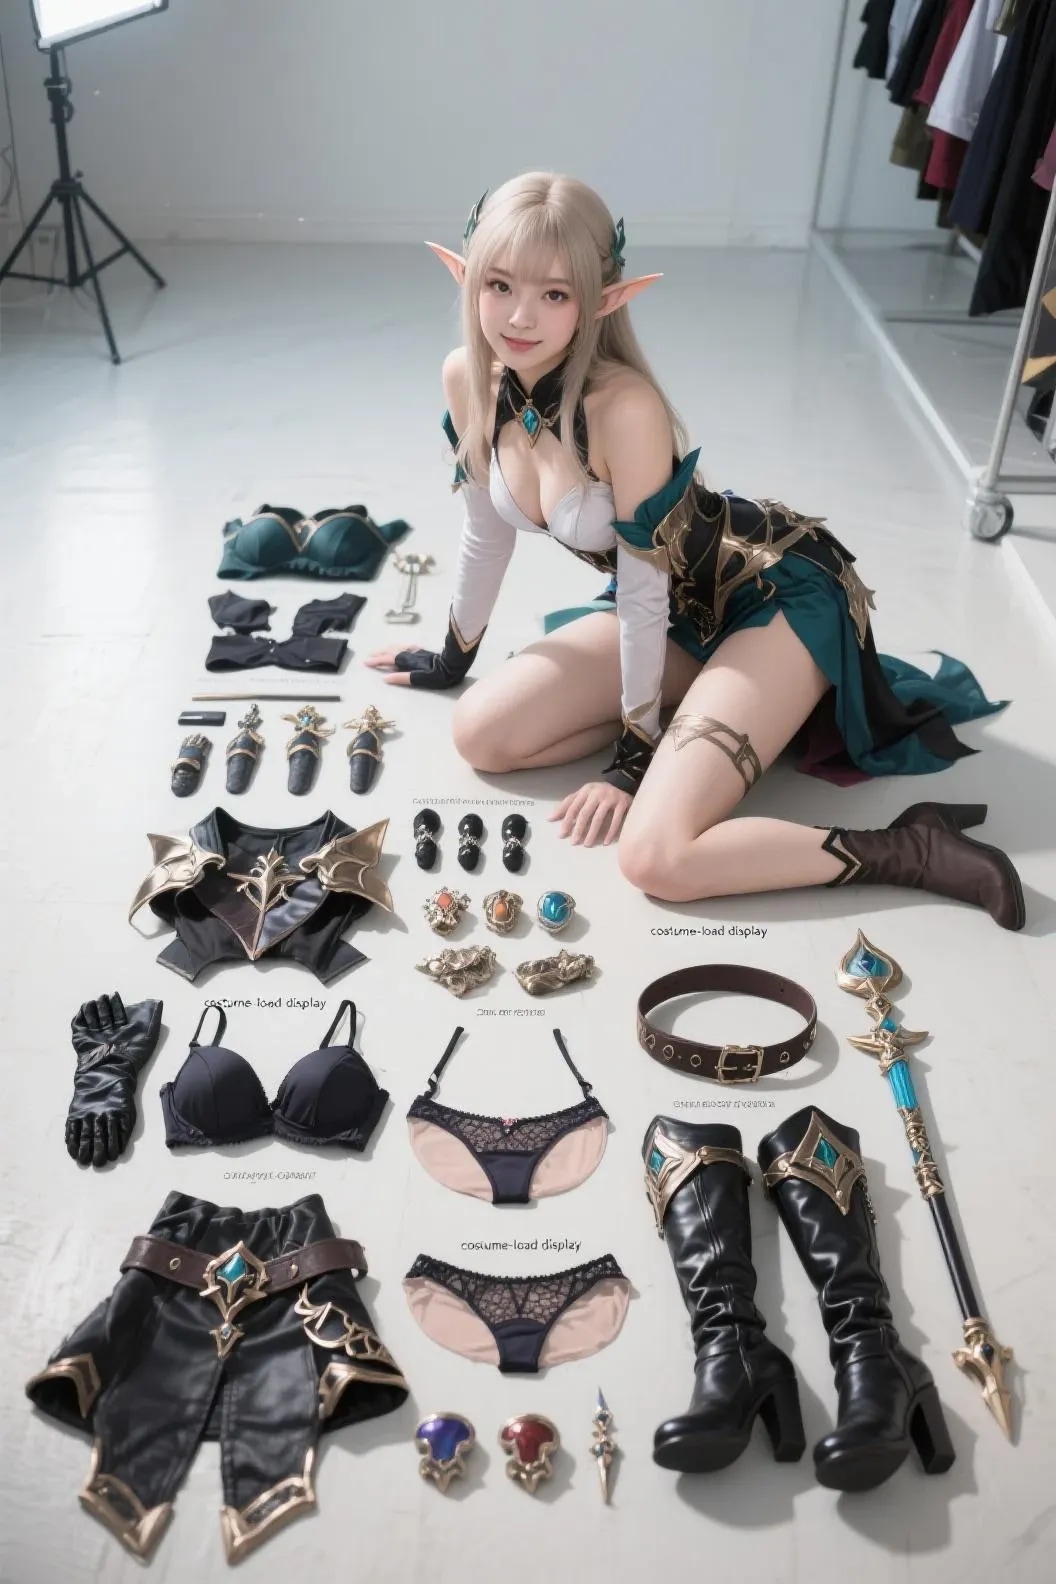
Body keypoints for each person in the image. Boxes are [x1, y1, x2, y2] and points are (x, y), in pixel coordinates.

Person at [365, 171, 1024, 929]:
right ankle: (708, 714)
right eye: (500, 284)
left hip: (778, 598)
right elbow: (487, 532)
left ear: (603, 300)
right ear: (465, 275)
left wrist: (633, 759)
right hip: (676, 612)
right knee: (480, 734)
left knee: (657, 860)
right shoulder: (467, 378)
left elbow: (644, 593)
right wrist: (452, 657)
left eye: (555, 294)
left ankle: (911, 847)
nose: (519, 316)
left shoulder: (624, 405)